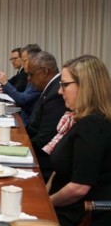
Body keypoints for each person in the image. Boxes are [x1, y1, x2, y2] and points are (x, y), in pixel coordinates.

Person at [47, 55, 111, 226]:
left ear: (86, 86)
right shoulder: (81, 120)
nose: (59, 91)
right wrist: (43, 194)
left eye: (65, 85)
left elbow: (79, 187)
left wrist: (46, 203)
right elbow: (59, 170)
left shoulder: (93, 125)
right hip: (66, 209)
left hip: (83, 222)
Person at [26, 51, 67, 181]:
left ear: (44, 72)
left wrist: (18, 149)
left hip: (44, 165)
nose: (28, 78)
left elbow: (45, 139)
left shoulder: (56, 94)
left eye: (31, 74)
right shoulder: (50, 89)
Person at [0, 44, 42, 125]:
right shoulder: (30, 75)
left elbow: (22, 98)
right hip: (23, 116)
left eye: (24, 60)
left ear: (34, 60)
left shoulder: (38, 79)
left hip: (27, 122)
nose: (23, 63)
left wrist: (5, 83)